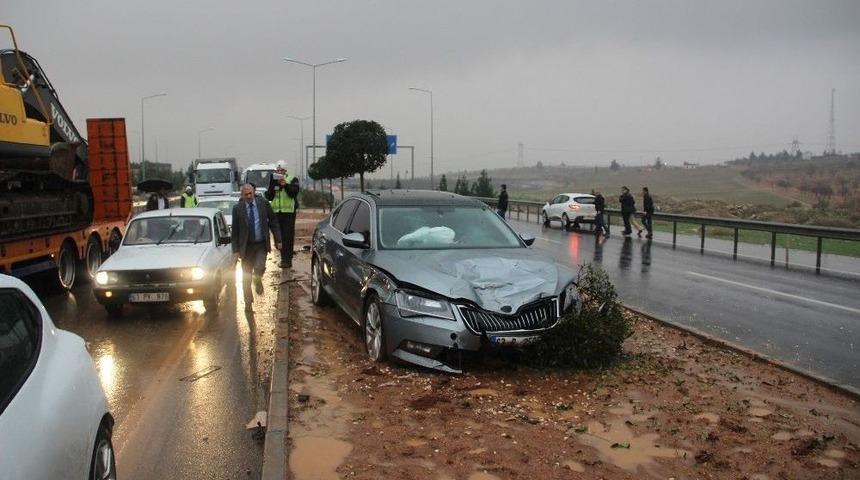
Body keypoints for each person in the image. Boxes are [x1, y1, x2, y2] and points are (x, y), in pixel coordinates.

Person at [232, 184, 282, 310]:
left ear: (253, 192)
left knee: (260, 267)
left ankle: (258, 279)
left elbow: (273, 221)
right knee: (246, 276)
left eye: (250, 194)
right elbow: (235, 232)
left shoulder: (263, 204)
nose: (248, 196)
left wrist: (278, 239)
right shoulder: (237, 208)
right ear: (242, 195)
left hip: (260, 244)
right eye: (246, 195)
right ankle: (248, 302)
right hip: (246, 247)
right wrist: (236, 250)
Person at [265, 160, 300, 268]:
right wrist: (273, 185)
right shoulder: (273, 180)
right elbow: (269, 196)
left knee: (287, 237)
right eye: (277, 170)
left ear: (285, 171)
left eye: (281, 170)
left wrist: (285, 185)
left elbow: (294, 192)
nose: (279, 172)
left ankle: (287, 260)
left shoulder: (292, 179)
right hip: (276, 213)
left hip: (288, 213)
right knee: (278, 237)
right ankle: (282, 256)